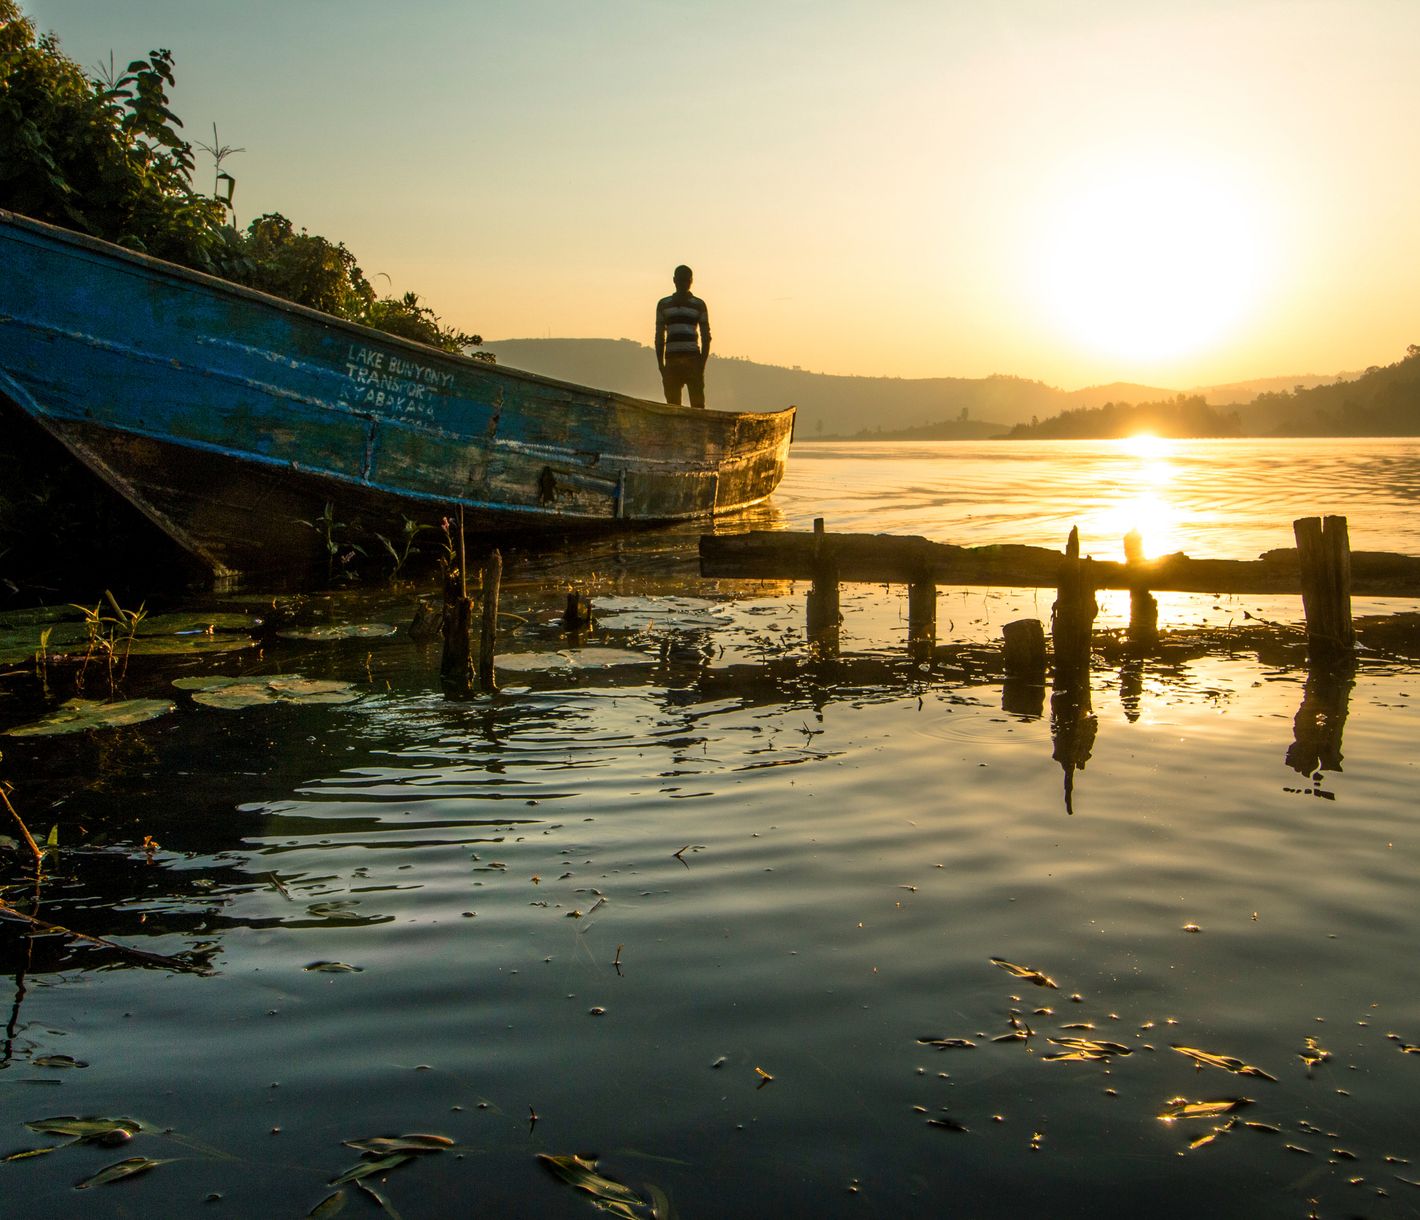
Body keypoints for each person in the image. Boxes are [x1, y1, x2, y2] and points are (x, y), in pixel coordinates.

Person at [655, 265, 711, 409]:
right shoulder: (663, 304)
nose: (683, 283)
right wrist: (661, 365)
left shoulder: (699, 305)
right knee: (672, 407)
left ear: (691, 281)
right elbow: (659, 337)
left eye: (686, 280)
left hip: (692, 360)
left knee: (697, 408)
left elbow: (706, 337)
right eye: (681, 280)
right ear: (674, 280)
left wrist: (701, 364)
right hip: (672, 361)